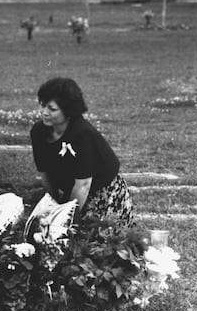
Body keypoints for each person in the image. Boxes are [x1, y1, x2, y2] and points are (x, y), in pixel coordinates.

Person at [30, 77, 134, 226]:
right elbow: (44, 173)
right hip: (73, 190)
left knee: (86, 235)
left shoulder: (82, 134)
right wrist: (53, 205)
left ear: (67, 111)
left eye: (52, 109)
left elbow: (84, 184)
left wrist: (66, 218)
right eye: (42, 106)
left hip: (102, 192)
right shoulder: (38, 132)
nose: (44, 112)